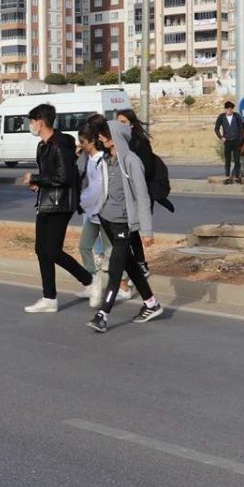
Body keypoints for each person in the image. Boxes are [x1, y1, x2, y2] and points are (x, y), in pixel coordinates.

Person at [22, 104, 101, 313]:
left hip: (61, 204)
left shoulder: (60, 144)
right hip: (47, 201)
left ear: (40, 121)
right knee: (42, 250)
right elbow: (53, 175)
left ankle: (89, 280)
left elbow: (64, 177)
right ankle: (49, 298)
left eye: (31, 122)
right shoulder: (43, 146)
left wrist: (37, 178)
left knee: (53, 251)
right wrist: (38, 184)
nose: (30, 126)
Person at [88, 120, 164, 333]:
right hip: (107, 220)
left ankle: (103, 315)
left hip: (123, 223)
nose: (101, 138)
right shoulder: (106, 159)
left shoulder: (131, 161)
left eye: (105, 135)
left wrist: (146, 230)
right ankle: (151, 303)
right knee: (129, 264)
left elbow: (142, 196)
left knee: (115, 269)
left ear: (116, 138)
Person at [76, 123, 119, 303]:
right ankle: (94, 283)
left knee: (110, 251)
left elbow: (99, 189)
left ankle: (121, 283)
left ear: (92, 141)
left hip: (103, 213)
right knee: (85, 247)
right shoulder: (91, 160)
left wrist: (83, 200)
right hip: (93, 213)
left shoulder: (101, 160)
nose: (80, 146)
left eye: (83, 142)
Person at [214, 101, 244, 184]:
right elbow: (216, 128)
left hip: (236, 142)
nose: (230, 110)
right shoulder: (221, 117)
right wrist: (221, 137)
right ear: (225, 109)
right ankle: (227, 177)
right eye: (228, 109)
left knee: (237, 160)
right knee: (227, 160)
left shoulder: (237, 116)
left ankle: (237, 177)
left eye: (231, 109)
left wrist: (240, 140)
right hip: (227, 142)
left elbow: (241, 129)